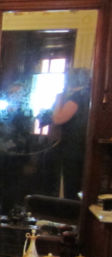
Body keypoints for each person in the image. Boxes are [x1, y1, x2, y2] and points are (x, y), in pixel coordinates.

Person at [52, 67, 91, 200]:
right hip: (84, 146)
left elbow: (58, 119)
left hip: (73, 148)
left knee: (72, 185)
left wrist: (58, 101)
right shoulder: (90, 95)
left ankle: (72, 215)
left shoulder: (76, 98)